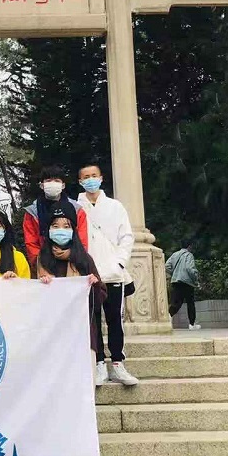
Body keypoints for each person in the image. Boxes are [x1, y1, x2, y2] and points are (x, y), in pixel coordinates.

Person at [77, 163, 138, 386]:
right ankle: (99, 363)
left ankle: (118, 363)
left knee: (115, 320)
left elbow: (126, 236)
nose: (90, 180)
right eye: (86, 177)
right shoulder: (77, 207)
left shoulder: (115, 206)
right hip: (90, 274)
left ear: (101, 178)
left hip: (113, 273)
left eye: (94, 175)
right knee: (93, 321)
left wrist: (119, 263)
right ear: (80, 181)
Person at [36, 207, 108, 362]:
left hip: (82, 332)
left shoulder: (84, 259)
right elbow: (34, 300)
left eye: (66, 226)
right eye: (55, 226)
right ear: (48, 230)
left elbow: (99, 299)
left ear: (73, 231)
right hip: (52, 334)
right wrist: (42, 286)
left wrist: (94, 285)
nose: (60, 230)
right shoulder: (42, 260)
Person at [22, 165, 88, 269]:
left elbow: (82, 240)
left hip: (73, 264)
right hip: (44, 266)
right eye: (48, 180)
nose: (52, 184)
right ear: (41, 185)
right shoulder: (32, 212)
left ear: (63, 185)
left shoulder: (77, 210)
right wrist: (41, 265)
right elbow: (31, 243)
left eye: (57, 181)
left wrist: (72, 255)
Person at [166, 241, 200, 330]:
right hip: (187, 282)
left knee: (176, 302)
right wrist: (195, 277)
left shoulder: (175, 254)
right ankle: (192, 324)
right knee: (190, 303)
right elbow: (189, 268)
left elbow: (167, 266)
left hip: (176, 281)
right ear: (189, 246)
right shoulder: (189, 255)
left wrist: (174, 273)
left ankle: (168, 317)